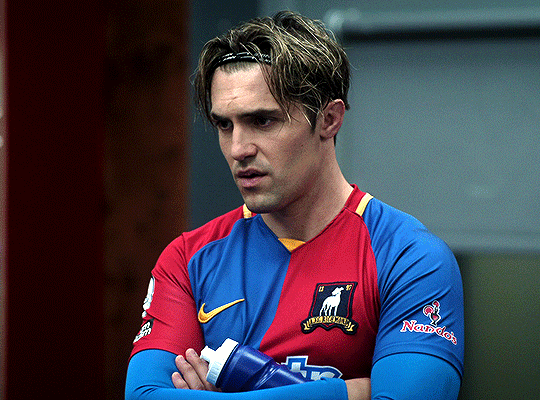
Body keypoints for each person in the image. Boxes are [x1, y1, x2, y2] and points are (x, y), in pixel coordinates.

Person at [125, 10, 464, 400]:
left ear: (329, 119)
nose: (238, 149)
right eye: (224, 125)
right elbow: (144, 395)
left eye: (263, 121)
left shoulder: (410, 257)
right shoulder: (188, 259)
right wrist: (352, 392)